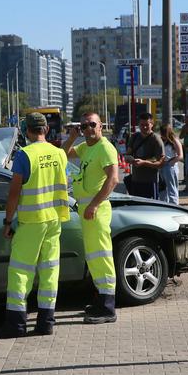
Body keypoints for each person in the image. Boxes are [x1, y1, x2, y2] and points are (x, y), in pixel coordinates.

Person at [0, 113, 70, 337]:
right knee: (49, 271)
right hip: (54, 220)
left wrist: (8, 222)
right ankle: (46, 323)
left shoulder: (24, 155)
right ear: (46, 130)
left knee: (21, 271)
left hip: (30, 222)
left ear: (27, 131)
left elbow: (14, 193)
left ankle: (16, 324)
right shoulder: (59, 154)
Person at [62, 112, 120, 324]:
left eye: (91, 125)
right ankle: (101, 300)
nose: (87, 129)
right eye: (83, 126)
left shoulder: (105, 147)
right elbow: (63, 154)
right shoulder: (86, 147)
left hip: (96, 209)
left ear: (101, 126)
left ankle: (107, 308)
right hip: (87, 209)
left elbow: (113, 179)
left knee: (102, 257)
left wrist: (94, 204)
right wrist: (71, 137)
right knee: (94, 258)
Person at [125, 113, 166, 199]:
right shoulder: (134, 136)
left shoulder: (156, 139)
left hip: (151, 182)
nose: (144, 127)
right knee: (136, 208)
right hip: (135, 180)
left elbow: (161, 163)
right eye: (142, 125)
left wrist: (144, 163)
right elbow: (127, 155)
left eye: (147, 125)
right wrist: (130, 160)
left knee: (151, 210)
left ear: (152, 124)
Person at [158, 123, 183, 204]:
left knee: (172, 188)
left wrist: (171, 162)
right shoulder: (162, 140)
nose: (162, 134)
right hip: (162, 165)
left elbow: (180, 155)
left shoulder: (174, 141)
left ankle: (174, 205)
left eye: (163, 132)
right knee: (163, 188)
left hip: (170, 165)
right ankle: (164, 204)